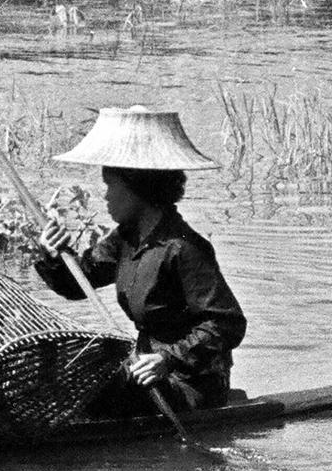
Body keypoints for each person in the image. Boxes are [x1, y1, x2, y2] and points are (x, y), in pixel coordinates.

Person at [33, 106, 247, 412]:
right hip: (143, 373)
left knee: (88, 392)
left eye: (110, 186)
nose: (105, 196)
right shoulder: (126, 240)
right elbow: (77, 284)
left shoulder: (184, 248)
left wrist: (167, 359)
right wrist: (55, 254)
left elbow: (227, 324)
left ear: (137, 189)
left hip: (188, 382)